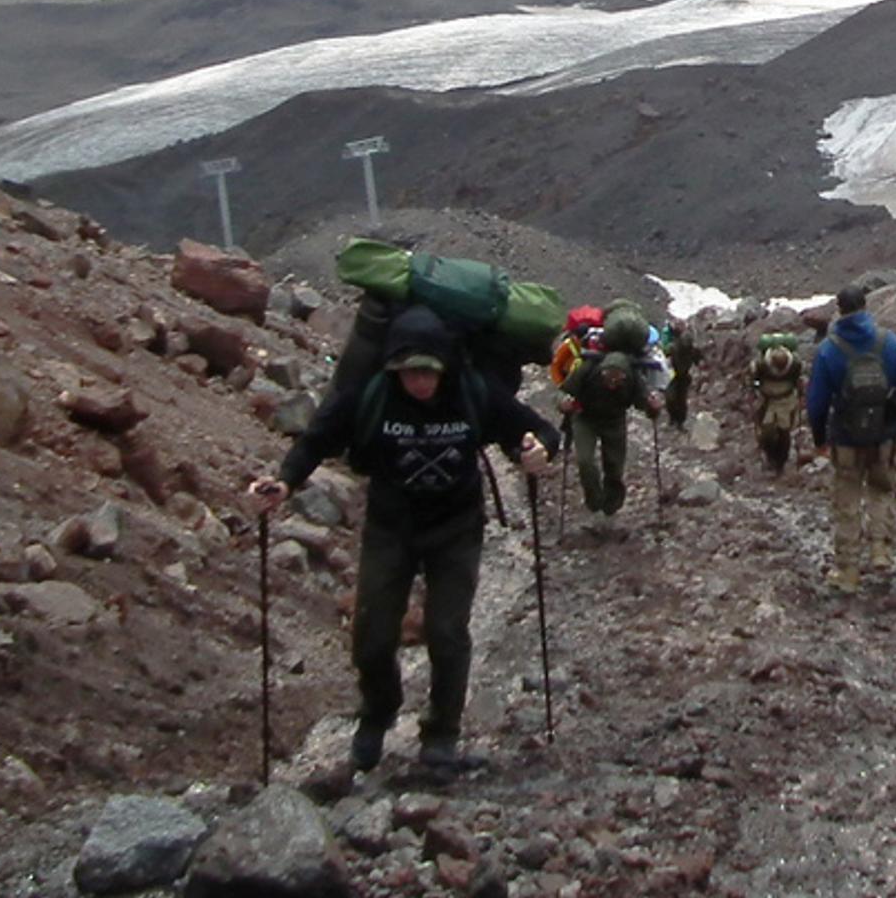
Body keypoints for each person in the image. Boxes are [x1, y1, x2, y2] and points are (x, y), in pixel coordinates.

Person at [251, 304, 556, 778]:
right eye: (409, 373)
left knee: (447, 632)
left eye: (428, 372)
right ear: (394, 368)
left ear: (445, 366)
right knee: (372, 633)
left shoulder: (471, 390)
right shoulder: (370, 395)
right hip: (390, 526)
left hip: (455, 527)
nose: (419, 382)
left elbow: (536, 430)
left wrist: (536, 450)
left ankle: (441, 737)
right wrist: (284, 483)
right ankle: (378, 714)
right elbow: (317, 439)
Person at [804, 283, 896, 593]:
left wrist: (819, 438)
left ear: (839, 310)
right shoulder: (889, 342)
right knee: (882, 490)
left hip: (845, 437)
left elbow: (816, 401)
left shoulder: (830, 348)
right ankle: (880, 550)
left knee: (847, 501)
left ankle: (848, 572)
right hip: (885, 434)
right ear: (866, 306)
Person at [562, 303, 660, 527]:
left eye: (618, 379)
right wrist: (564, 404)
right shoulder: (588, 367)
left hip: (614, 421)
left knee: (614, 467)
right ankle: (595, 504)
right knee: (585, 462)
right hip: (585, 418)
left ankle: (610, 509)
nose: (613, 383)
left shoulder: (633, 377)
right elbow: (564, 391)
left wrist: (654, 406)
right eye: (609, 377)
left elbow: (644, 402)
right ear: (602, 371)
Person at [749, 326, 808, 473]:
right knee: (767, 431)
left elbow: (798, 380)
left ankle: (779, 462)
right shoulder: (762, 364)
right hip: (768, 400)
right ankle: (772, 456)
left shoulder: (794, 364)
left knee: (784, 432)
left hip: (785, 399)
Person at [661, 318, 700, 430]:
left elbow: (695, 354)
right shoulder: (669, 335)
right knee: (671, 397)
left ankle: (679, 422)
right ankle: (674, 420)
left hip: (683, 371)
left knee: (680, 398)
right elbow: (665, 349)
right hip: (673, 371)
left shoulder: (687, 339)